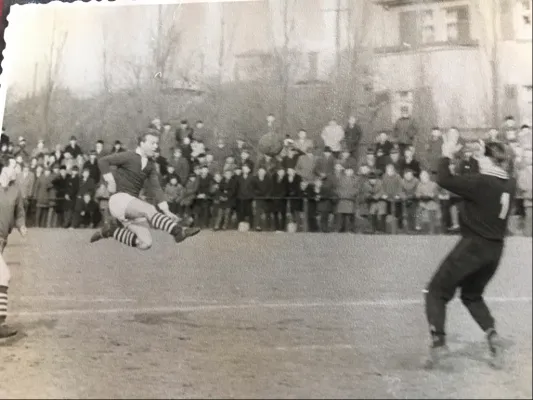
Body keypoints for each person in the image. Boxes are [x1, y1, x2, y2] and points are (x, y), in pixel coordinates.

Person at [423, 137, 516, 370]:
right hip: (495, 250)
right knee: (472, 296)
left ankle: (438, 344)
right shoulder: (509, 183)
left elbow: (444, 179)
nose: (476, 158)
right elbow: (486, 178)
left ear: (488, 160)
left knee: (436, 291)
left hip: (473, 245)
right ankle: (493, 336)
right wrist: (475, 157)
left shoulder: (480, 182)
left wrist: (446, 154)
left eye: (480, 155)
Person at [90, 130, 200, 250]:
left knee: (145, 243)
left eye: (156, 144)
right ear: (142, 144)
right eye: (152, 143)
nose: (155, 146)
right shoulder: (129, 156)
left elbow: (156, 188)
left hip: (132, 206)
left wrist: (166, 211)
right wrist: (110, 180)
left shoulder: (150, 166)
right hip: (119, 199)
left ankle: (112, 231)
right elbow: (103, 161)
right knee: (149, 209)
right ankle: (178, 232)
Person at [0, 160, 27, 339]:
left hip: (2, 240)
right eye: (14, 167)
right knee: (3, 275)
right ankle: (0, 324)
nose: (17, 170)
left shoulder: (15, 189)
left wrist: (21, 225)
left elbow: (19, 212)